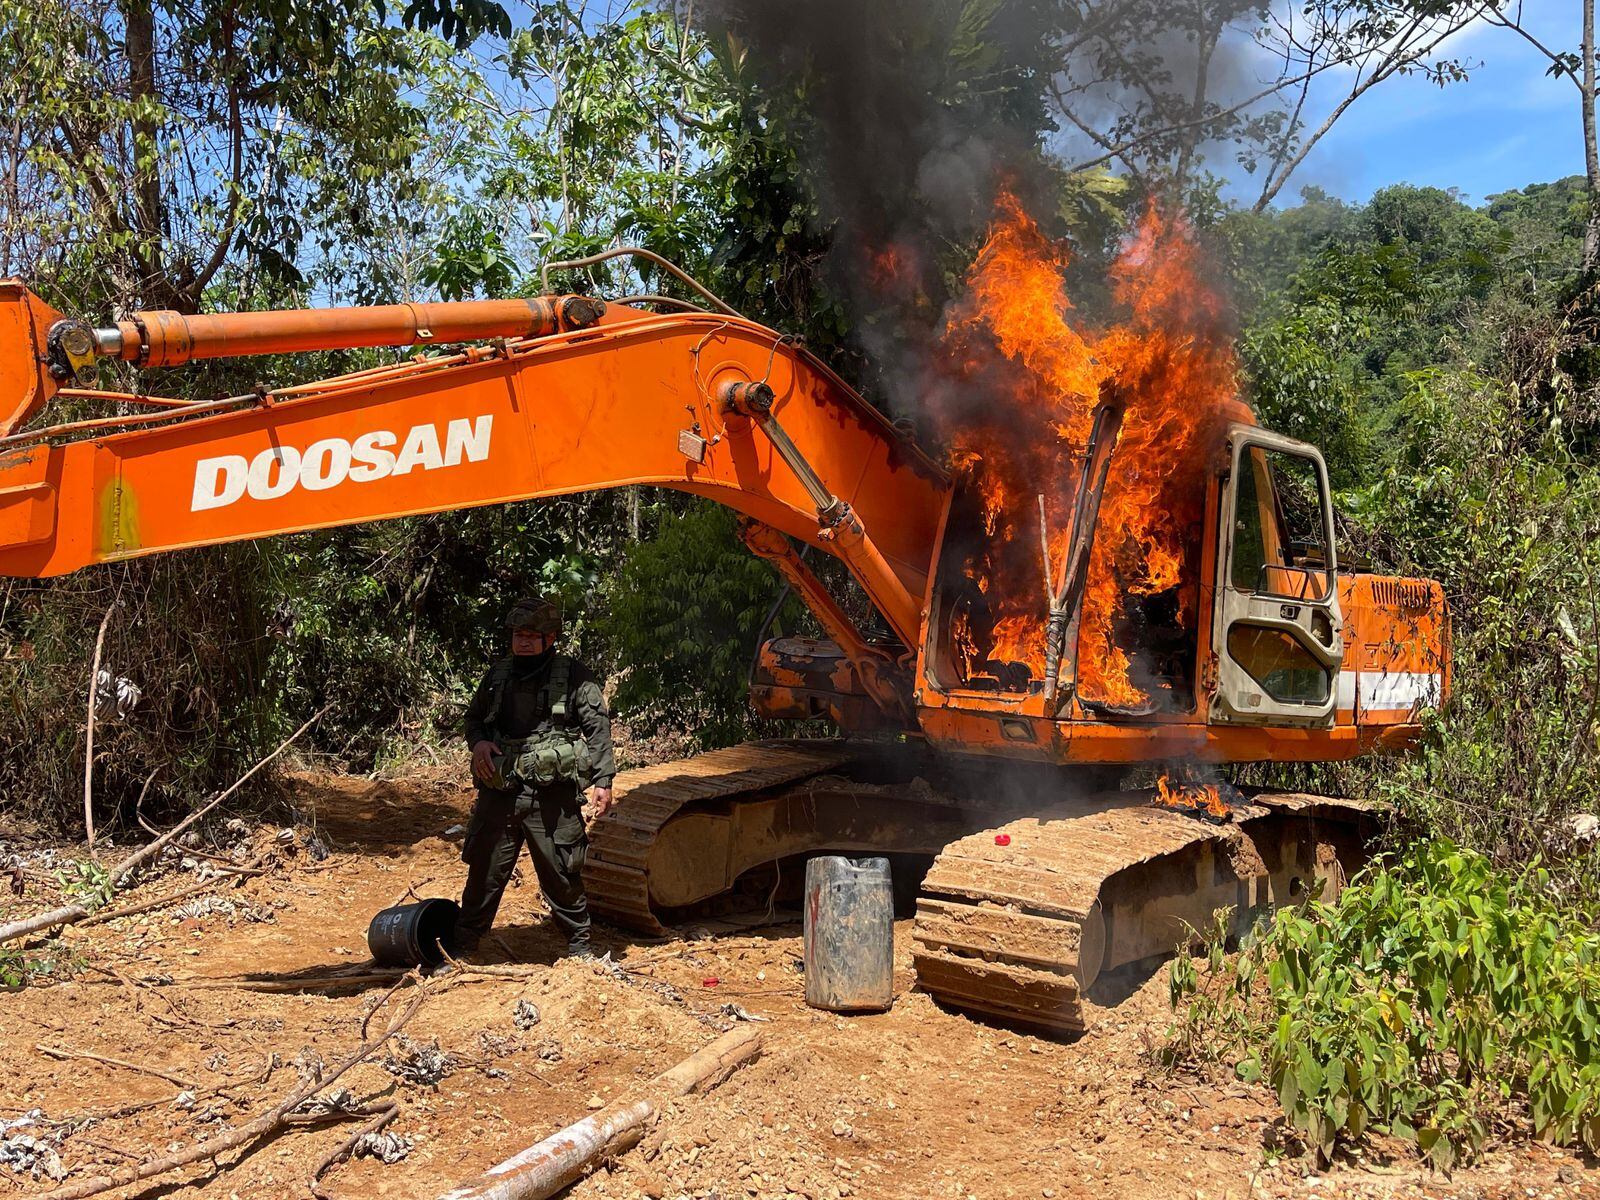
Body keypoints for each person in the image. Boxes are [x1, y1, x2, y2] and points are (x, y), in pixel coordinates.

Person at [455, 596, 615, 959]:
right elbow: (474, 720)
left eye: (531, 635)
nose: (523, 641)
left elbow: (598, 729)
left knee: (562, 874)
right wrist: (479, 743)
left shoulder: (574, 676)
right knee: (484, 872)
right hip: (501, 792)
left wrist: (603, 781)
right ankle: (463, 949)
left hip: (551, 797)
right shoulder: (497, 675)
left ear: (551, 637)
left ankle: (579, 949)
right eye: (517, 634)